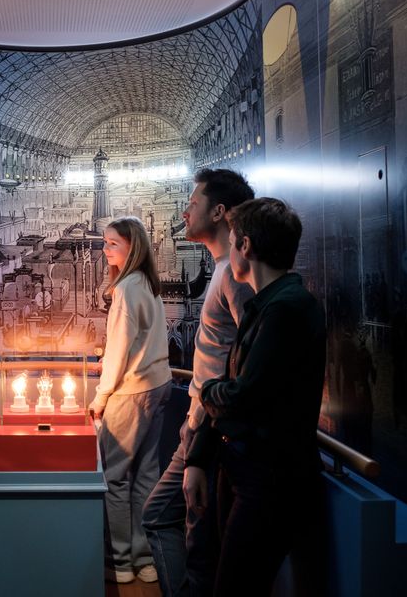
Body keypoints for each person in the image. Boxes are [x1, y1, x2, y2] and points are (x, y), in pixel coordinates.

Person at [189, 198, 326, 596]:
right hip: (249, 472)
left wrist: (208, 390)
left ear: (245, 246)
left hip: (268, 482)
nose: (229, 251)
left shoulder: (286, 309)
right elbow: (239, 389)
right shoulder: (270, 305)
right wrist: (198, 458)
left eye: (232, 240)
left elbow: (243, 394)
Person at [142, 169, 255, 596]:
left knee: (195, 539)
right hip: (200, 423)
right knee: (188, 532)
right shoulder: (224, 271)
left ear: (220, 211)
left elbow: (242, 360)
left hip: (211, 429)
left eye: (193, 203)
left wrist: (203, 428)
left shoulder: (233, 277)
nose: (185, 212)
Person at [91, 216, 172, 584]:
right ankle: (145, 559)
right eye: (105, 242)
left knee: (115, 478)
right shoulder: (148, 284)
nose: (105, 249)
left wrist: (101, 396)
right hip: (159, 386)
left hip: (131, 391)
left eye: (113, 244)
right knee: (146, 475)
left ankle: (120, 561)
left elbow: (119, 350)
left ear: (131, 246)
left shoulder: (125, 289)